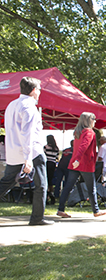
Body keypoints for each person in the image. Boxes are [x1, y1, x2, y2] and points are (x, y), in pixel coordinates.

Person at [0, 77, 53, 225]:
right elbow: (27, 134)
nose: (40, 93)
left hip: (13, 153)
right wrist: (28, 158)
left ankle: (38, 218)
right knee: (41, 185)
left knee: (5, 184)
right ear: (34, 91)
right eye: (40, 90)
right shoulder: (30, 107)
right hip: (32, 152)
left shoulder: (11, 105)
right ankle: (37, 218)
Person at [57, 113, 106, 219]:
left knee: (68, 187)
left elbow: (79, 147)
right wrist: (78, 159)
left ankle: (60, 209)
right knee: (91, 188)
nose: (95, 121)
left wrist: (76, 160)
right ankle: (96, 211)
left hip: (75, 164)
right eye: (93, 119)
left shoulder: (78, 132)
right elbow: (84, 146)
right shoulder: (89, 132)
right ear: (88, 120)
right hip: (85, 164)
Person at [43, 134, 59, 205]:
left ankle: (47, 195)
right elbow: (57, 157)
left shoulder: (46, 147)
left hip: (47, 163)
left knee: (45, 179)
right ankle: (51, 194)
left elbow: (43, 155)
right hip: (53, 164)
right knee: (50, 180)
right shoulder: (56, 148)